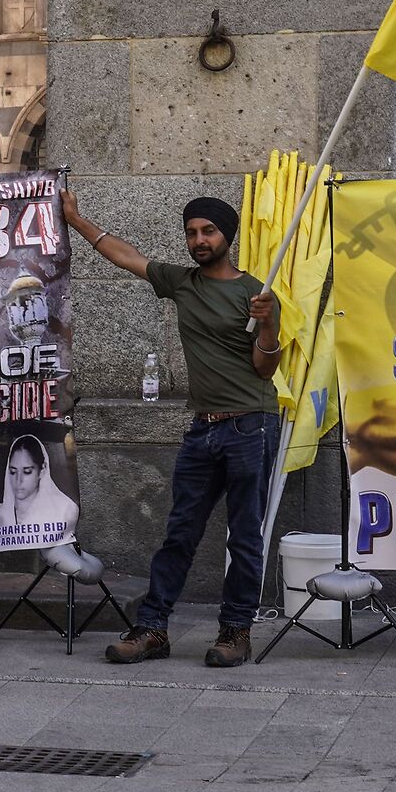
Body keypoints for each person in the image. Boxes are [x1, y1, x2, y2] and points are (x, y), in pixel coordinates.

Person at [62, 189, 281, 667]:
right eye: (191, 232)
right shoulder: (182, 283)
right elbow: (126, 256)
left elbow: (265, 369)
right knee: (180, 533)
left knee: (244, 536)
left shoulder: (257, 293)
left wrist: (266, 329)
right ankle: (152, 630)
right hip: (202, 429)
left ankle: (235, 633)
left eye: (208, 231)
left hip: (252, 425)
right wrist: (77, 220)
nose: (199, 240)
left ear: (228, 236)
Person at [0, 433, 81, 545]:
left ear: (42, 470)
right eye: (13, 472)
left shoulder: (65, 510)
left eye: (27, 471)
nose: (19, 480)